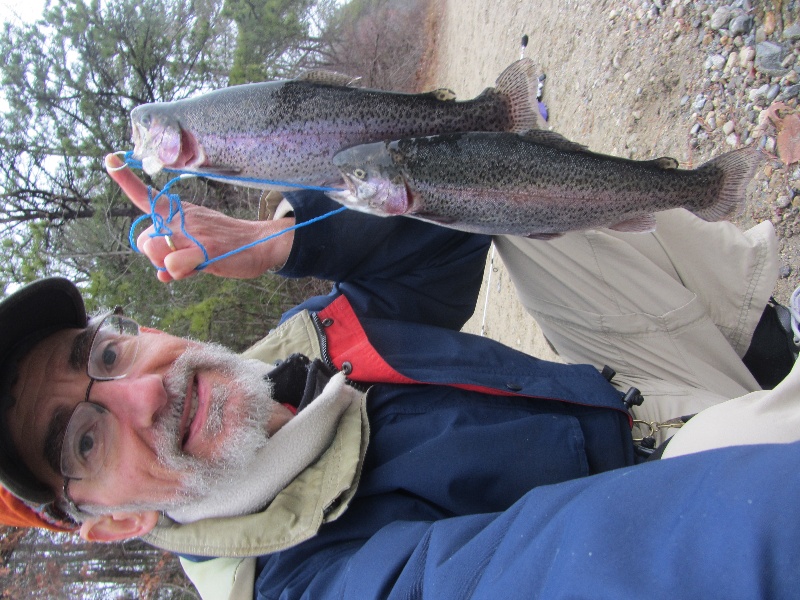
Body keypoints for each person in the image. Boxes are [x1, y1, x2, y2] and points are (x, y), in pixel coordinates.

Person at [0, 153, 797, 600]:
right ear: (111, 525)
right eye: (87, 440)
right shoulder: (300, 586)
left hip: (653, 406)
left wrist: (289, 241)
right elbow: (584, 570)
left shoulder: (306, 347)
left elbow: (438, 233)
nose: (145, 392)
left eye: (104, 356)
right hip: (714, 491)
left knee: (501, 197)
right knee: (746, 441)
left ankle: (770, 342)